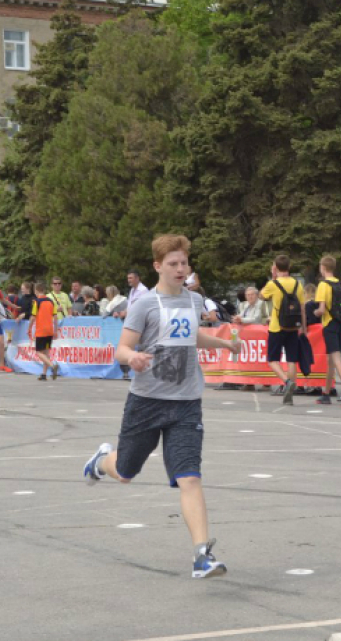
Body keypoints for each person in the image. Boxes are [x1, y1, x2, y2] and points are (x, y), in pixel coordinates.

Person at [82, 234, 241, 579]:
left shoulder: (194, 300)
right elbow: (121, 348)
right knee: (125, 472)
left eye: (184, 263)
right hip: (147, 402)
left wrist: (225, 343)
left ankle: (202, 555)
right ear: (158, 266)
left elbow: (193, 335)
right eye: (173, 264)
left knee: (190, 477)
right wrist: (133, 357)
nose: (181, 269)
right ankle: (101, 461)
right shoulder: (144, 304)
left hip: (186, 403)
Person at [313, 255, 341, 407]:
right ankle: (326, 393)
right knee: (330, 361)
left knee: (337, 360)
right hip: (340, 323)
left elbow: (321, 309)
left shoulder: (323, 285)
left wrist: (315, 313)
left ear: (323, 268)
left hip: (329, 324)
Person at [260, 255, 307, 405]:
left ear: (276, 267)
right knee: (292, 360)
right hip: (293, 326)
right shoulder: (297, 284)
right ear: (289, 266)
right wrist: (303, 327)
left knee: (273, 360)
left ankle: (287, 382)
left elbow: (261, 296)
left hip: (277, 326)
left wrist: (273, 276)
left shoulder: (273, 284)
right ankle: (290, 393)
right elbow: (302, 307)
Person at [29, 282, 58, 380]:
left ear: (36, 290)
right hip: (49, 330)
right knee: (46, 353)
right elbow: (55, 317)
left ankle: (52, 366)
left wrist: (29, 328)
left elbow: (33, 317)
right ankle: (44, 374)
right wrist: (56, 330)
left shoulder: (37, 302)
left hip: (41, 330)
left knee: (38, 352)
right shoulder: (50, 301)